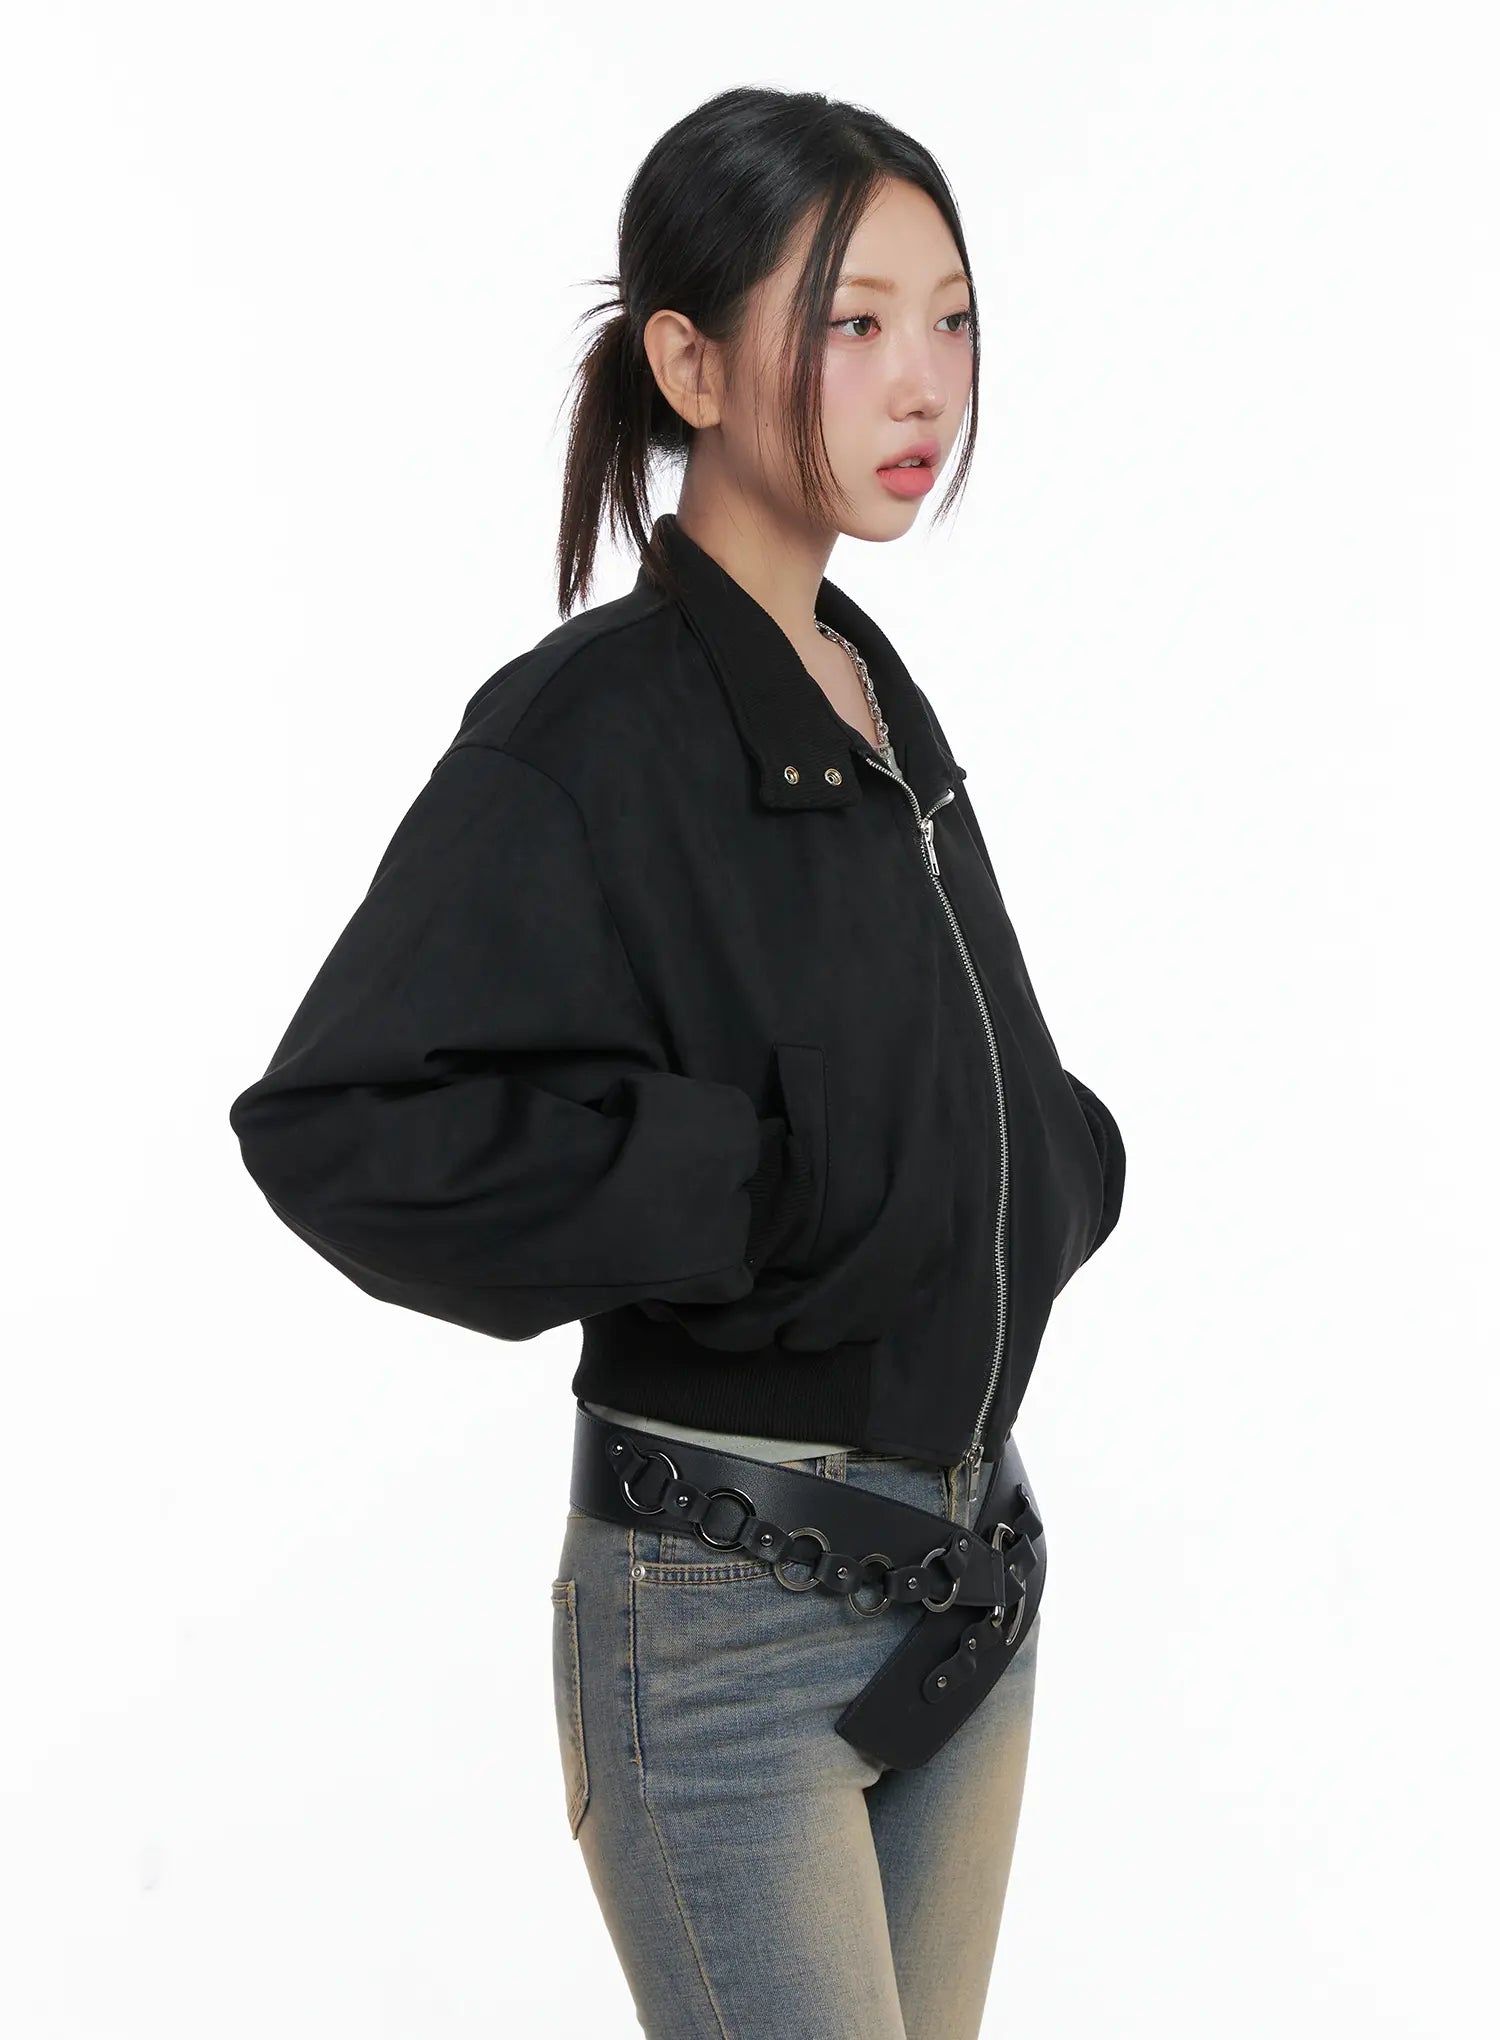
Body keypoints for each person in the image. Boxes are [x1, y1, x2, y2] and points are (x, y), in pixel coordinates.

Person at [229, 84, 1126, 2040]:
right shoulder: (590, 729)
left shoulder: (865, 686)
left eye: (952, 318)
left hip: (967, 1585)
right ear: (691, 364)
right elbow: (340, 1123)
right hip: (729, 1629)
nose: (924, 379)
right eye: (853, 321)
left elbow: (920, 1050)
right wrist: (744, 1194)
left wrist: (1054, 1164)